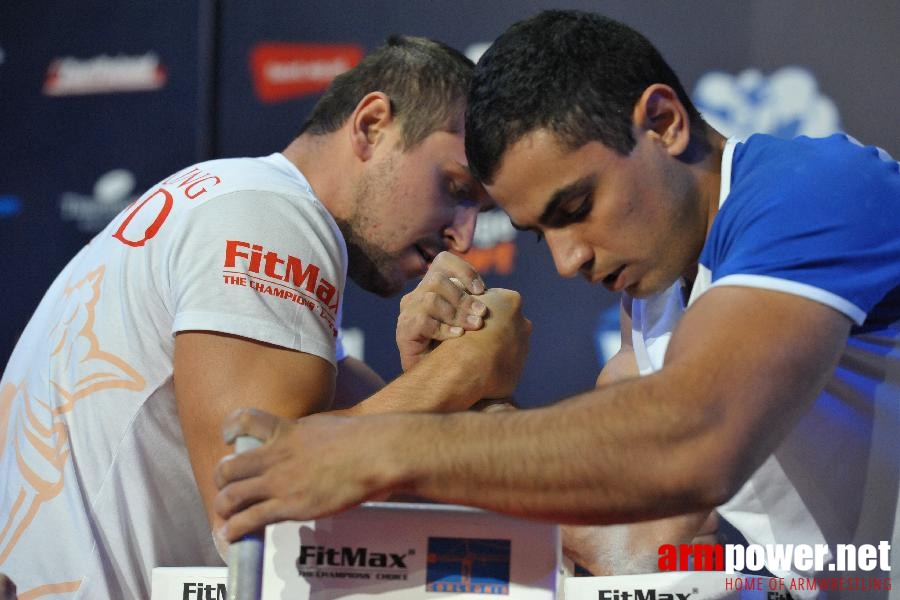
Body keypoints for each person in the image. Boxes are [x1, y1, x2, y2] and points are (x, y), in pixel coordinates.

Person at [213, 9, 900, 593]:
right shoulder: (656, 275)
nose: (569, 260)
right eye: (542, 235)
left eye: (575, 206)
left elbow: (695, 437)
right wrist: (467, 393)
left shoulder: (814, 190)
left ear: (661, 123)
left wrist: (379, 445)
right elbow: (628, 520)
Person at [0, 35, 532, 598]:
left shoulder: (240, 202)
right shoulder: (271, 214)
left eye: (482, 209)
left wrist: (441, 374)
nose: (465, 235)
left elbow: (411, 473)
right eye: (455, 187)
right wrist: (459, 372)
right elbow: (250, 507)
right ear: (373, 124)